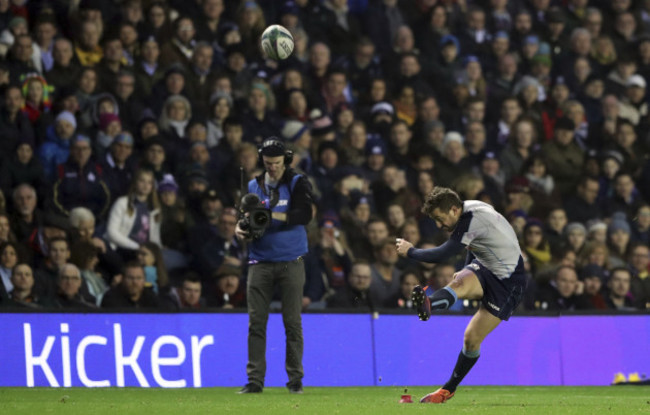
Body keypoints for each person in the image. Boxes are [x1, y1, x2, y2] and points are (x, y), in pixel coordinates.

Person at [396, 186, 528, 403]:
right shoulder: (471, 209)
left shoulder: (472, 219)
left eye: (440, 219)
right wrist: (469, 267)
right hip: (486, 266)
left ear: (454, 210)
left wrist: (411, 251)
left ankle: (449, 389)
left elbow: (443, 253)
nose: (439, 225)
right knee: (458, 283)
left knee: (471, 340)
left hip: (509, 282)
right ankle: (428, 304)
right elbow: (475, 244)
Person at [235, 138, 313, 395]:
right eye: (268, 164)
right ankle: (255, 380)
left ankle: (295, 380)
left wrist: (270, 216)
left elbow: (305, 215)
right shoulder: (252, 186)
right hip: (260, 261)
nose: (272, 169)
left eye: (277, 164)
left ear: (286, 161)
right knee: (256, 322)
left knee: (292, 322)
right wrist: (241, 229)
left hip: (291, 260)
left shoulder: (296, 182)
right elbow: (245, 221)